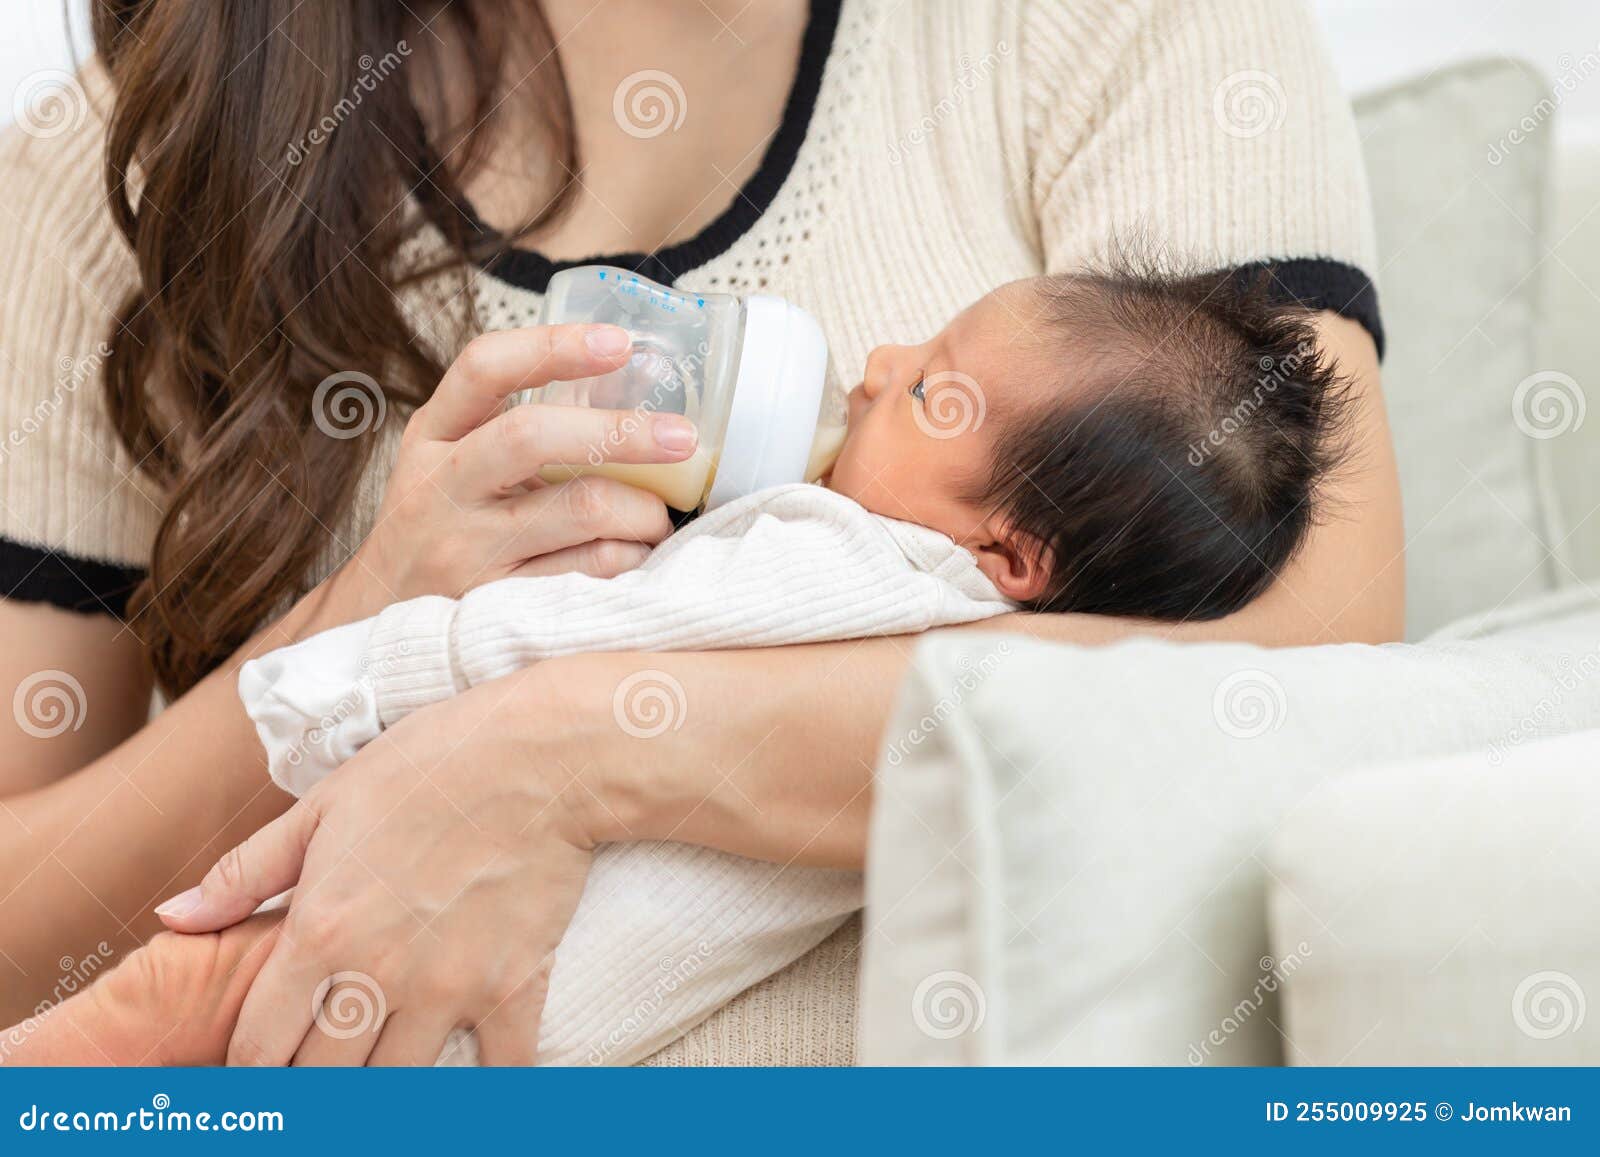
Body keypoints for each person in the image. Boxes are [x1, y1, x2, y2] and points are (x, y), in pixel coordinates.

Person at [0, 0, 1402, 1066]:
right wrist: (370, 610)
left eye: (931, 383)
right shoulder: (137, 161)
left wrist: (556, 753)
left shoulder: (1099, 32)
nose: (876, 374)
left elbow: (1304, 666)